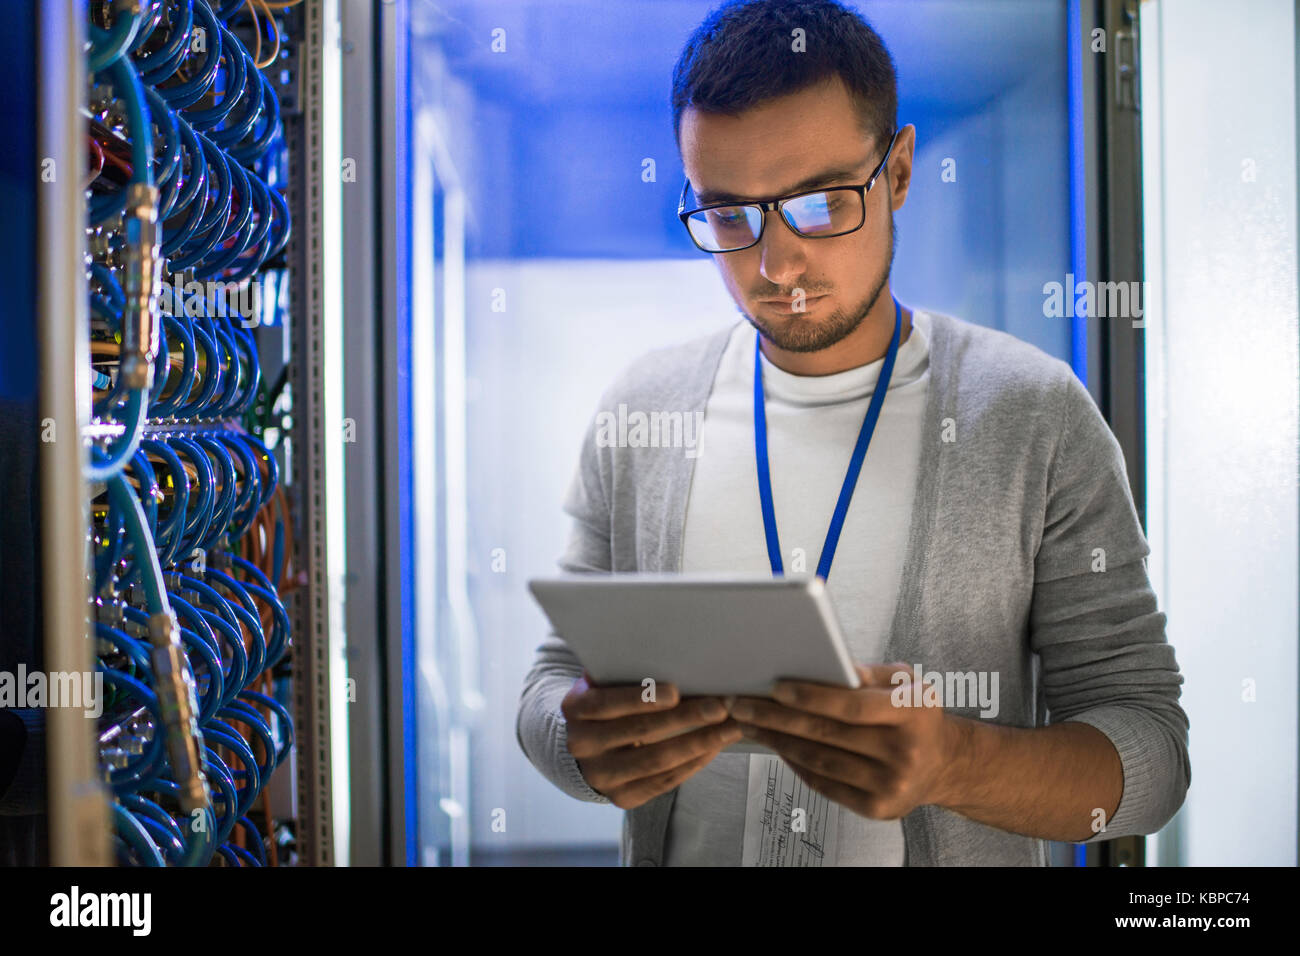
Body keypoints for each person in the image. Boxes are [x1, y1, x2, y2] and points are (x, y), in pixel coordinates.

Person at [516, 0, 1189, 866]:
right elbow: (552, 678)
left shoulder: (1032, 413)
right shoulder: (644, 408)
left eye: (823, 202)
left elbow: (1153, 756)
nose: (777, 264)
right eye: (729, 216)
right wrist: (578, 747)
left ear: (899, 172)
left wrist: (957, 761)